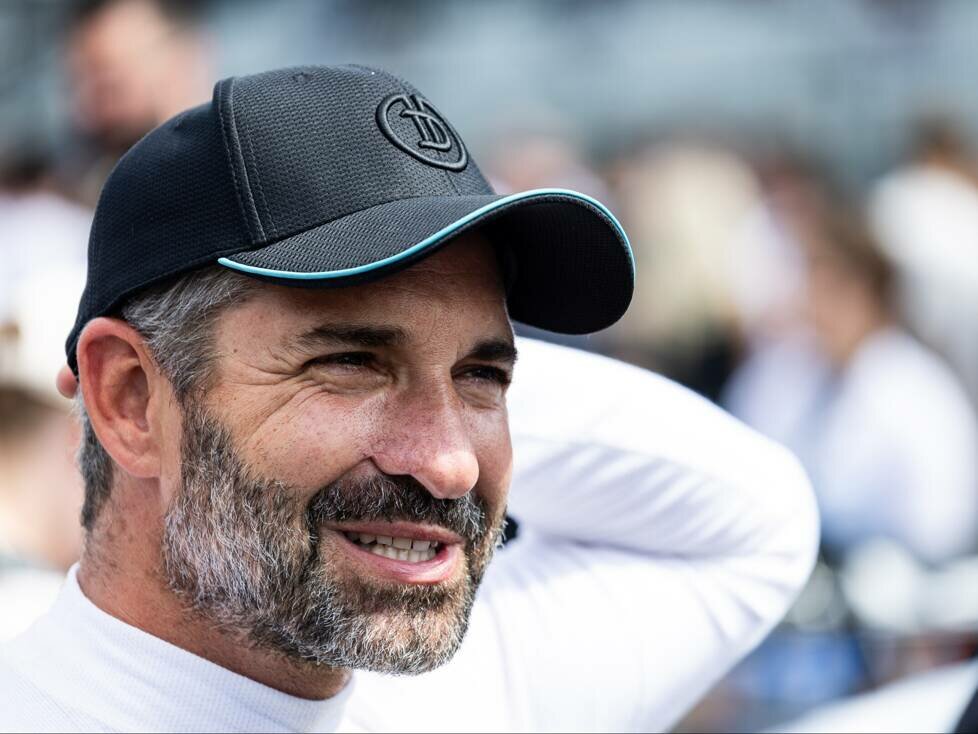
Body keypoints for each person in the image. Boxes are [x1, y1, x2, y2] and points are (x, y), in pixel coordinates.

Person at [0, 65, 817, 732]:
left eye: (484, 375)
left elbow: (758, 517)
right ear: (129, 399)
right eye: (351, 361)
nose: (451, 465)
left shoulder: (456, 700)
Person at [725, 207, 978, 564]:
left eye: (835, 291)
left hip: (897, 571)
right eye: (814, 288)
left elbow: (942, 523)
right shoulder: (784, 371)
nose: (820, 309)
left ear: (871, 295)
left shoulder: (918, 390)